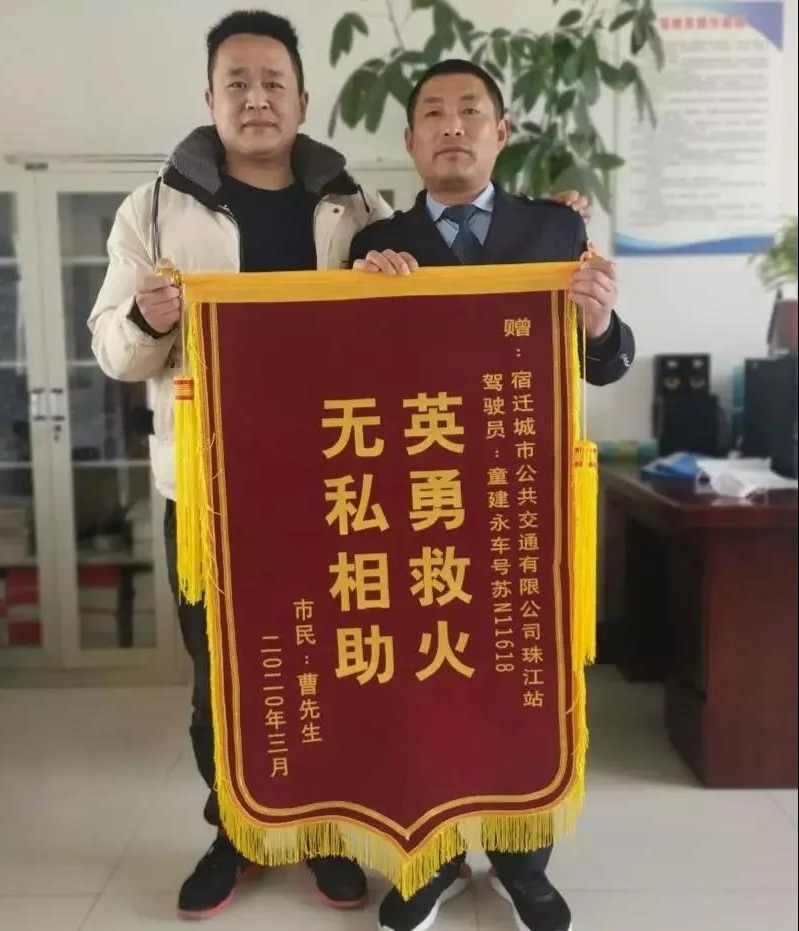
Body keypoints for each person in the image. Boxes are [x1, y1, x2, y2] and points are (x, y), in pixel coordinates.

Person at [89, 10, 594, 921]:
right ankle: (238, 832)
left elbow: (411, 331)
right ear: (210, 98)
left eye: (273, 82)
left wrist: (554, 231)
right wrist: (148, 320)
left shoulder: (353, 206)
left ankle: (326, 836)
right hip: (213, 498)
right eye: (237, 82)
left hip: (345, 493)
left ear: (302, 98)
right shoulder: (153, 209)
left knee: (345, 668)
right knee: (222, 678)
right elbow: (114, 352)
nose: (256, 98)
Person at [349, 59, 636, 931]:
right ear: (409, 141)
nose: (452, 125)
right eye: (433, 113)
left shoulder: (556, 227)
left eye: (471, 111)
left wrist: (597, 320)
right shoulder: (377, 244)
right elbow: (345, 377)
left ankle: (522, 859)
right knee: (424, 680)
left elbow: (607, 361)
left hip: (526, 499)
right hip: (418, 503)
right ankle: (432, 856)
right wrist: (363, 302)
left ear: (500, 133)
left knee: (524, 680)